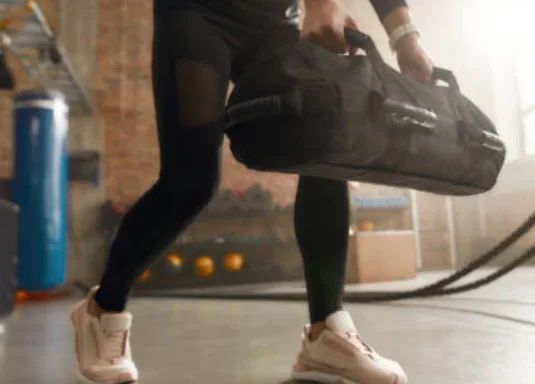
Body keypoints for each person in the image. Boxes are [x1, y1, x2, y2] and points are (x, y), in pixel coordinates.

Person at [69, 0, 434, 383]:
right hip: (197, 13)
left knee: (325, 141)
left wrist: (404, 35)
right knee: (191, 180)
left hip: (275, 21)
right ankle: (102, 309)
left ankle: (326, 333)